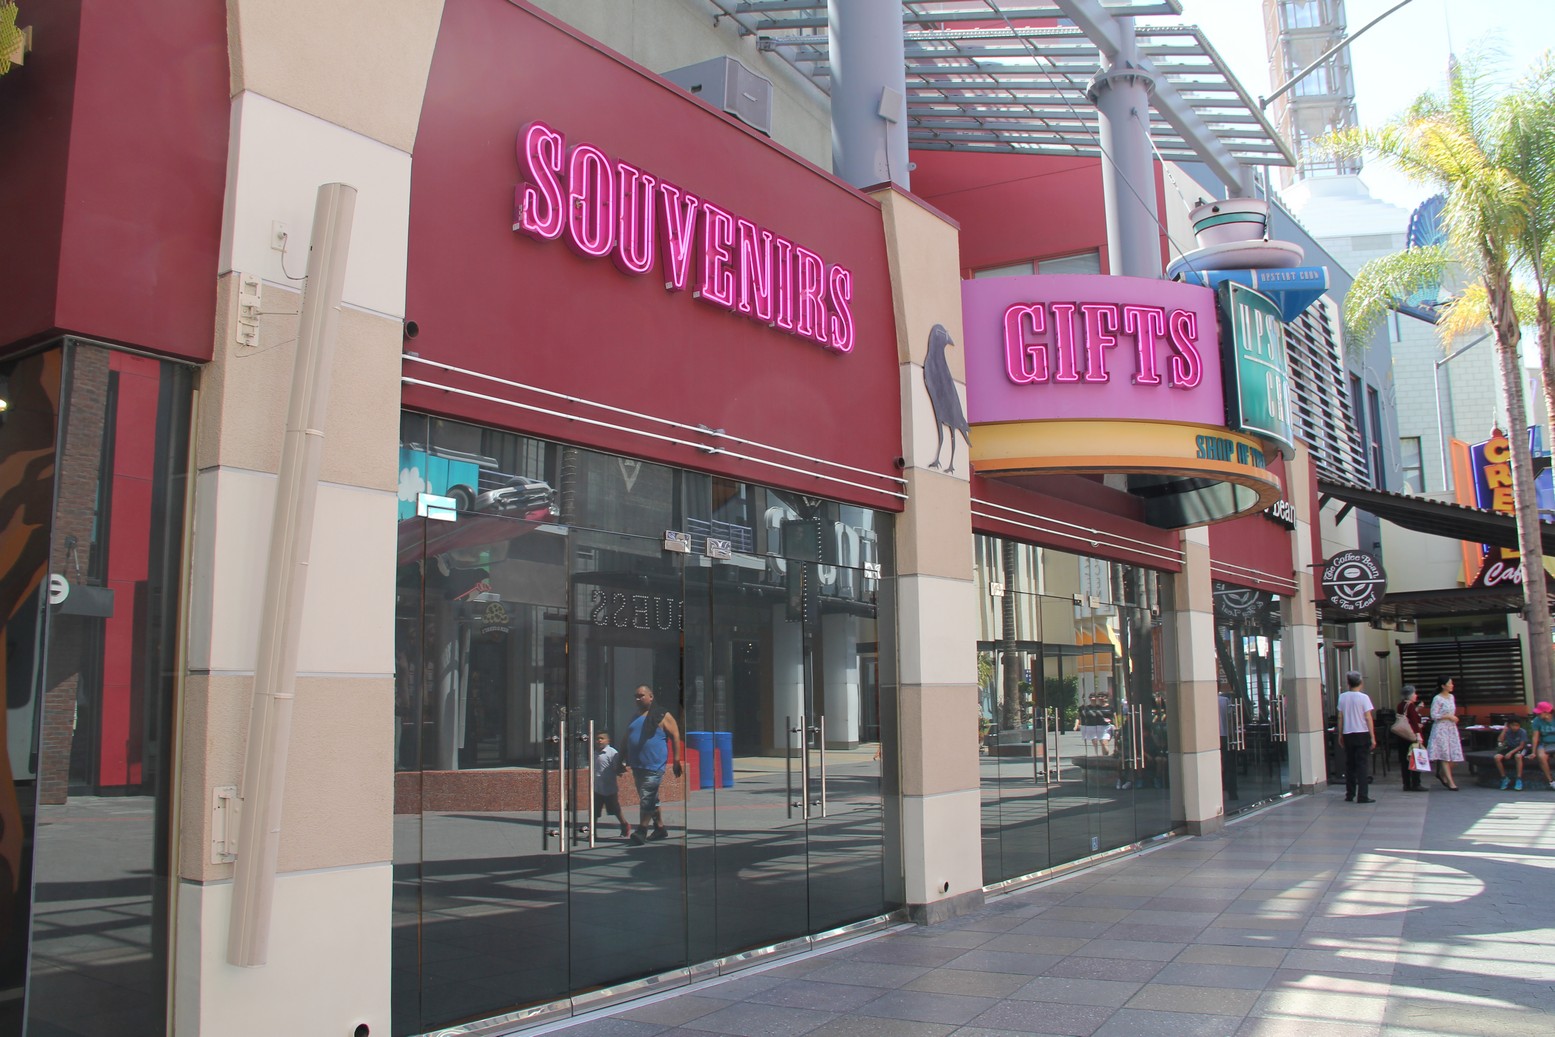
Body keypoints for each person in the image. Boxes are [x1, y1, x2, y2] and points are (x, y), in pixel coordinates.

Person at [622, 684, 682, 844]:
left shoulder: (662, 715)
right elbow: (626, 738)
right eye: (636, 696)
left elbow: (675, 735)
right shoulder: (635, 716)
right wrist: (620, 758)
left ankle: (641, 830)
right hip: (637, 765)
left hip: (654, 765)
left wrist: (676, 760)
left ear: (651, 697)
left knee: (647, 797)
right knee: (649, 797)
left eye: (641, 695)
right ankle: (660, 828)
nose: (638, 699)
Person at [1337, 670, 1376, 803]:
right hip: (1362, 733)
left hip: (1348, 733)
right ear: (1360, 682)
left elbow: (1340, 717)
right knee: (1362, 765)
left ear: (1348, 683)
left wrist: (1340, 734)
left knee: (1350, 764)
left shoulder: (1342, 697)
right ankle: (1363, 795)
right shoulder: (1364, 698)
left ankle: (1350, 794)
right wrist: (1372, 736)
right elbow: (1368, 717)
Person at [1427, 675, 1463, 790]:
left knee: (1454, 756)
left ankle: (1442, 774)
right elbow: (1433, 715)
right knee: (1445, 755)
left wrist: (1453, 718)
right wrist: (1448, 716)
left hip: (1451, 728)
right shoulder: (1437, 699)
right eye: (1450, 683)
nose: (1452, 685)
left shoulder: (1451, 697)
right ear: (1443, 686)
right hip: (1441, 729)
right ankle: (1451, 782)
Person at [593, 731, 630, 839]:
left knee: (615, 809)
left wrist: (620, 770)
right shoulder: (594, 753)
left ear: (608, 740)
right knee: (594, 811)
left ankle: (624, 825)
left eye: (602, 738)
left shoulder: (612, 753)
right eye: (597, 739)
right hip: (597, 788)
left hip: (609, 788)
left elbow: (617, 767)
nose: (599, 740)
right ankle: (593, 832)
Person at [1395, 685, 1425, 792]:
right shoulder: (1410, 705)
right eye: (1414, 693)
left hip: (1402, 735)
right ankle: (1416, 783)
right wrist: (1418, 735)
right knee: (1415, 758)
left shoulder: (1400, 705)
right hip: (1411, 736)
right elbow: (1413, 721)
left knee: (1404, 760)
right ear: (1410, 695)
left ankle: (1406, 783)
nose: (1416, 695)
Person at [1492, 718, 1531, 791]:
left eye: (1517, 725)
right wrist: (1504, 730)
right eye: (1513, 725)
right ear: (1509, 725)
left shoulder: (1522, 732)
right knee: (1497, 757)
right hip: (1510, 747)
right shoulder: (1508, 731)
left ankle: (1519, 779)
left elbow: (1521, 746)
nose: (1515, 727)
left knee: (1518, 756)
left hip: (1520, 748)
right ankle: (1504, 777)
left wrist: (1510, 753)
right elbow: (1500, 740)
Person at [1527, 700, 1555, 790]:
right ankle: (1551, 781)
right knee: (1541, 757)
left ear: (1546, 712)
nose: (1538, 714)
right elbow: (1535, 736)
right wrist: (1533, 752)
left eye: (1540, 713)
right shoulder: (1537, 720)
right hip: (1544, 743)